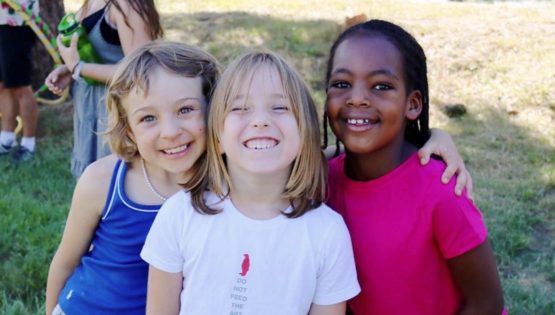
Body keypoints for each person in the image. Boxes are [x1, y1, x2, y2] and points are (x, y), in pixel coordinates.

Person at [140, 50, 362, 315]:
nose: (260, 121)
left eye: (279, 107)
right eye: (240, 108)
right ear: (218, 136)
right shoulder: (180, 216)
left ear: (305, 132)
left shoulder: (327, 233)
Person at [324, 20, 505, 314]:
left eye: (381, 86)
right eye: (341, 84)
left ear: (413, 104)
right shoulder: (322, 181)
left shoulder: (441, 189)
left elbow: (487, 303)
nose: (356, 98)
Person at [45, 41, 220, 315]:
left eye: (186, 109)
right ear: (128, 131)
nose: (170, 132)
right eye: (148, 118)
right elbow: (65, 262)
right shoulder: (102, 181)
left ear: (213, 108)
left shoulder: (225, 183)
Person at [45, 0, 163, 178]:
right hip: (90, 109)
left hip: (117, 112)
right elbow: (99, 55)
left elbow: (139, 70)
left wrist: (79, 68)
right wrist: (70, 70)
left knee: (115, 182)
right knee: (92, 185)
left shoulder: (127, 5)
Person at [0, 0, 39, 162]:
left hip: (17, 21)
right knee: (3, 84)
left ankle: (29, 143)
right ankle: (7, 138)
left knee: (20, 86)